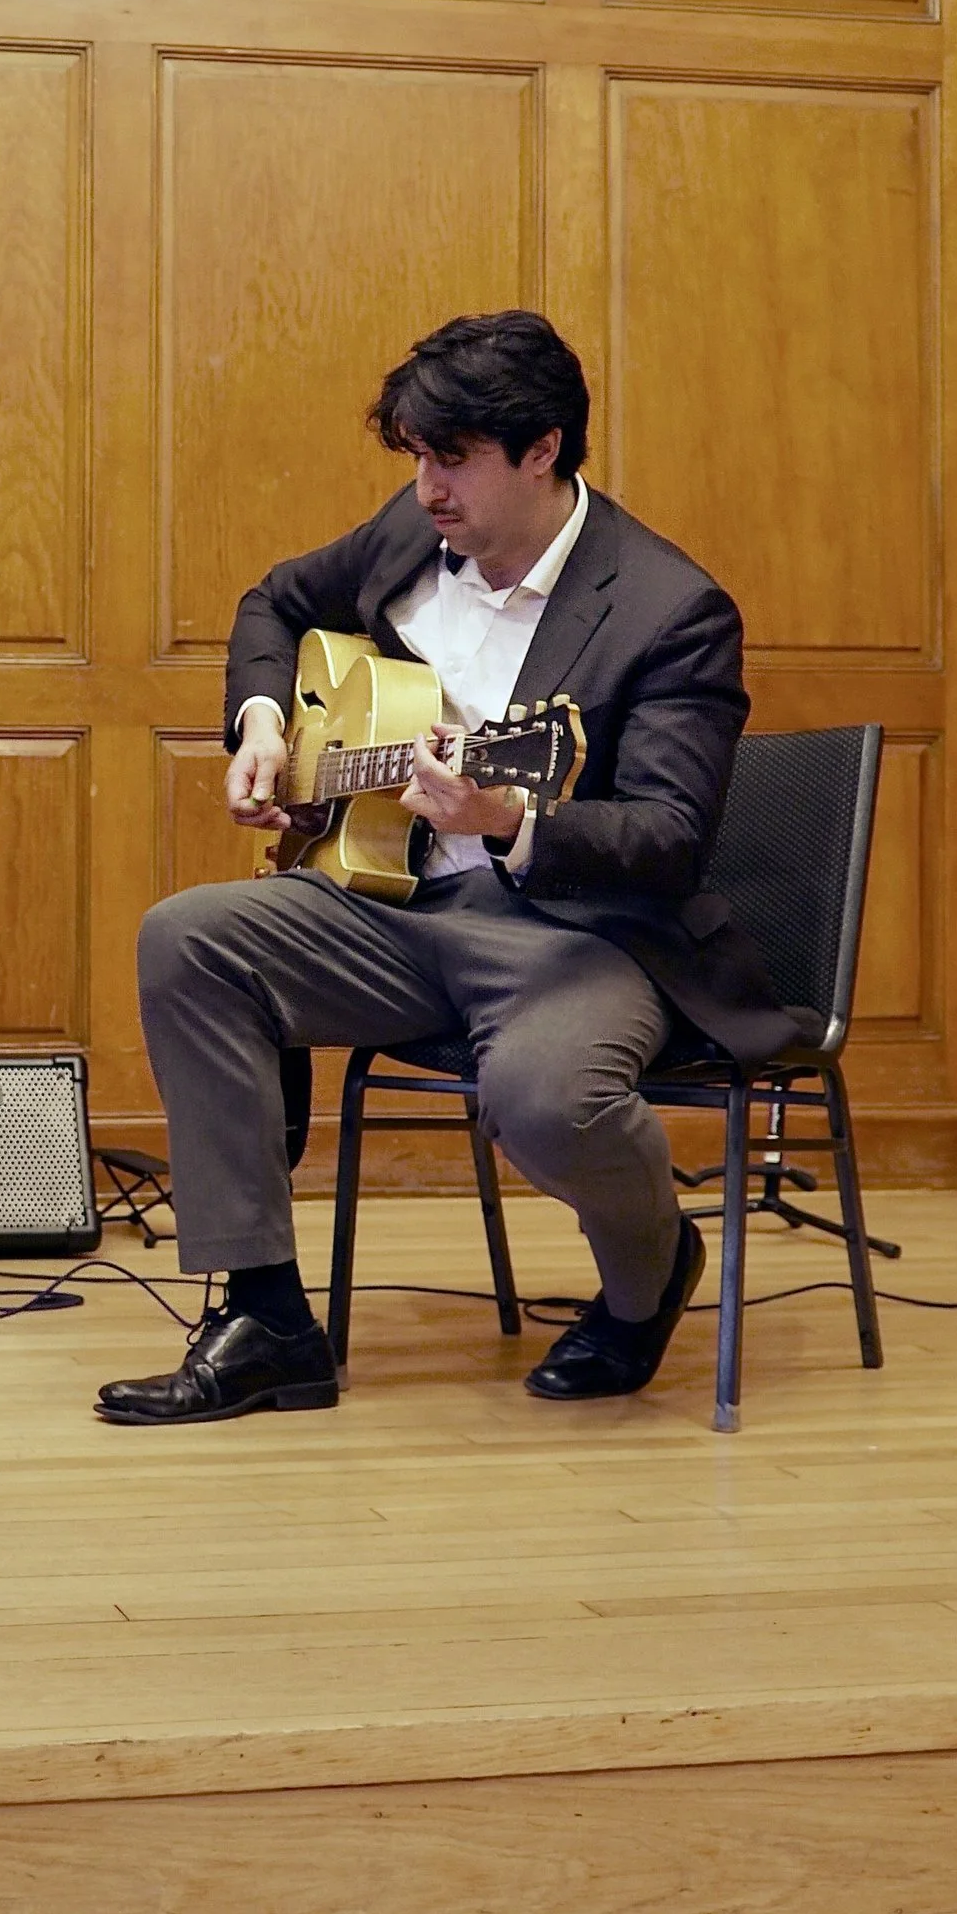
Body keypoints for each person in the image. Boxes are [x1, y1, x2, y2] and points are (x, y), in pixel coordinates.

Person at [99, 309, 803, 1431]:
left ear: (543, 450)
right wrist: (264, 722)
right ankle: (269, 1320)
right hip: (389, 899)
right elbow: (275, 602)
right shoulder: (413, 530)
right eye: (417, 455)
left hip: (573, 933)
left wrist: (510, 816)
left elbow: (668, 833)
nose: (428, 484)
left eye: (455, 457)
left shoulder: (671, 612)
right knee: (190, 939)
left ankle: (647, 1271)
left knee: (544, 1098)